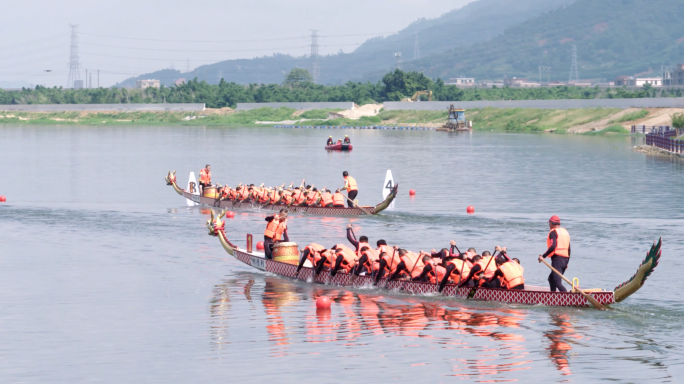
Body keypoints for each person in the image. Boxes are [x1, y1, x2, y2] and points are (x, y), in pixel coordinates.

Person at [538, 215, 570, 292]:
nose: (549, 225)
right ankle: (553, 296)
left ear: (552, 223)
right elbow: (569, 249)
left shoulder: (553, 232)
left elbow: (553, 246)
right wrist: (566, 263)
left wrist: (543, 256)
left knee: (557, 282)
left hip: (557, 259)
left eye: (549, 223)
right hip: (565, 259)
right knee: (551, 279)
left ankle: (566, 298)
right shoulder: (565, 232)